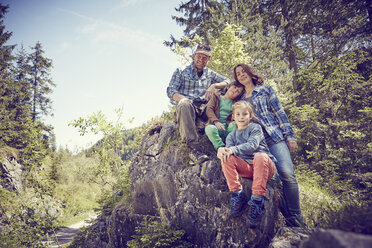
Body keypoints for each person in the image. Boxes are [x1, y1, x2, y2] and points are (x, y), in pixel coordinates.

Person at [233, 63, 304, 227]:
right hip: (256, 143)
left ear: (250, 73)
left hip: (273, 137)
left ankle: (296, 218)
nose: (241, 74)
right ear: (236, 78)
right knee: (274, 180)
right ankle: (285, 218)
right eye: (238, 73)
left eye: (244, 71)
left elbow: (279, 112)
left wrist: (289, 136)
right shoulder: (239, 98)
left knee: (287, 174)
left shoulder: (265, 90)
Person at [167, 44, 230, 165]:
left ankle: (228, 135)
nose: (201, 59)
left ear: (208, 59)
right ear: (194, 56)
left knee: (225, 93)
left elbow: (228, 81)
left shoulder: (210, 73)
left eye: (205, 57)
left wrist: (214, 85)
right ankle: (192, 149)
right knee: (184, 105)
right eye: (199, 56)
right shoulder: (181, 71)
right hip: (188, 105)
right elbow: (171, 91)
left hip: (205, 107)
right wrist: (183, 99)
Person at [217, 101, 276, 227]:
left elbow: (252, 145)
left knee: (259, 156)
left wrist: (233, 149)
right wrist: (222, 151)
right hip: (247, 168)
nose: (241, 117)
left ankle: (256, 202)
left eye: (245, 114)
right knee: (226, 158)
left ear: (250, 116)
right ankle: (238, 195)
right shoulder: (231, 136)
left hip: (264, 167)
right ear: (233, 117)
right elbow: (229, 152)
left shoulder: (255, 128)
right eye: (238, 114)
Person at [204, 82, 244, 150]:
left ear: (238, 95)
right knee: (209, 129)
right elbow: (209, 109)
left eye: (238, 91)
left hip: (228, 128)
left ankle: (230, 146)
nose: (235, 90)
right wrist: (216, 122)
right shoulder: (216, 97)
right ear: (228, 87)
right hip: (216, 125)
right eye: (234, 87)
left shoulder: (236, 103)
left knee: (235, 125)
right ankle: (220, 147)